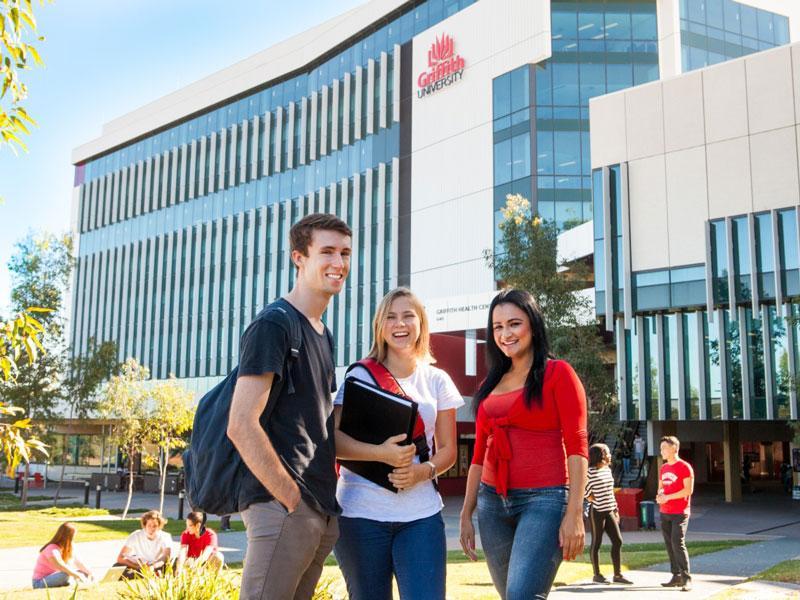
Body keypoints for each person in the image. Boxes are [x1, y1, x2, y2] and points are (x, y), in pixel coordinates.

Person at [227, 213, 352, 600]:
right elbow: (241, 424)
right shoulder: (275, 324)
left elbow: (319, 425)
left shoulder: (321, 333)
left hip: (316, 506)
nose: (339, 263)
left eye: (345, 252)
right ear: (299, 257)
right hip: (284, 506)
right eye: (327, 251)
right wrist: (289, 499)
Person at [333, 287, 463, 600]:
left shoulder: (438, 380)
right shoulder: (359, 377)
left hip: (421, 516)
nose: (399, 324)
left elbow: (448, 451)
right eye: (390, 317)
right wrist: (380, 454)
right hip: (359, 515)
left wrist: (423, 472)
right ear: (380, 325)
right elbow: (333, 441)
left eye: (408, 316)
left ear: (421, 324)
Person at [459, 289, 588, 600]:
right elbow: (478, 455)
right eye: (498, 327)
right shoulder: (491, 384)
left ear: (533, 323)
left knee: (521, 596)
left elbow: (577, 446)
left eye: (514, 323)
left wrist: (574, 514)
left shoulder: (558, 374)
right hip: (492, 504)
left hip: (544, 501)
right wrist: (466, 513)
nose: (506, 334)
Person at [585, 443, 632, 585]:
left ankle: (617, 575)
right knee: (596, 543)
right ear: (599, 455)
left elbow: (610, 491)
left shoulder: (607, 470)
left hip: (609, 510)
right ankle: (597, 574)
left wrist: (615, 509)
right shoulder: (589, 472)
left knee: (618, 541)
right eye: (607, 452)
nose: (609, 455)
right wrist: (591, 498)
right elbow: (584, 490)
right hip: (597, 512)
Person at [657, 435, 695, 592]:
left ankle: (686, 578)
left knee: (677, 543)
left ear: (674, 448)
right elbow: (661, 487)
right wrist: (660, 496)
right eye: (661, 448)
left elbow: (688, 490)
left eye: (664, 448)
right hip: (665, 511)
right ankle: (676, 576)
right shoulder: (663, 468)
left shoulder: (685, 467)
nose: (662, 451)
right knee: (669, 545)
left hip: (680, 512)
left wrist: (668, 497)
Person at [32, 522, 94, 589]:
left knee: (81, 572)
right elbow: (60, 566)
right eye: (72, 537)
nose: (73, 540)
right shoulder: (52, 548)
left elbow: (78, 562)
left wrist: (90, 574)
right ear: (66, 537)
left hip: (55, 577)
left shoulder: (68, 548)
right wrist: (77, 575)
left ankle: (76, 582)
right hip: (40, 583)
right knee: (66, 574)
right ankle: (71, 582)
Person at [114, 510, 172, 578]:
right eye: (149, 525)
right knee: (117, 567)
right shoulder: (136, 535)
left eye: (155, 526)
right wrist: (137, 567)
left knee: (169, 567)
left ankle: (147, 575)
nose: (152, 529)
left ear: (159, 526)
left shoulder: (165, 536)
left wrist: (152, 567)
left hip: (156, 565)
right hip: (137, 565)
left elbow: (165, 557)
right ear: (144, 525)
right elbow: (120, 558)